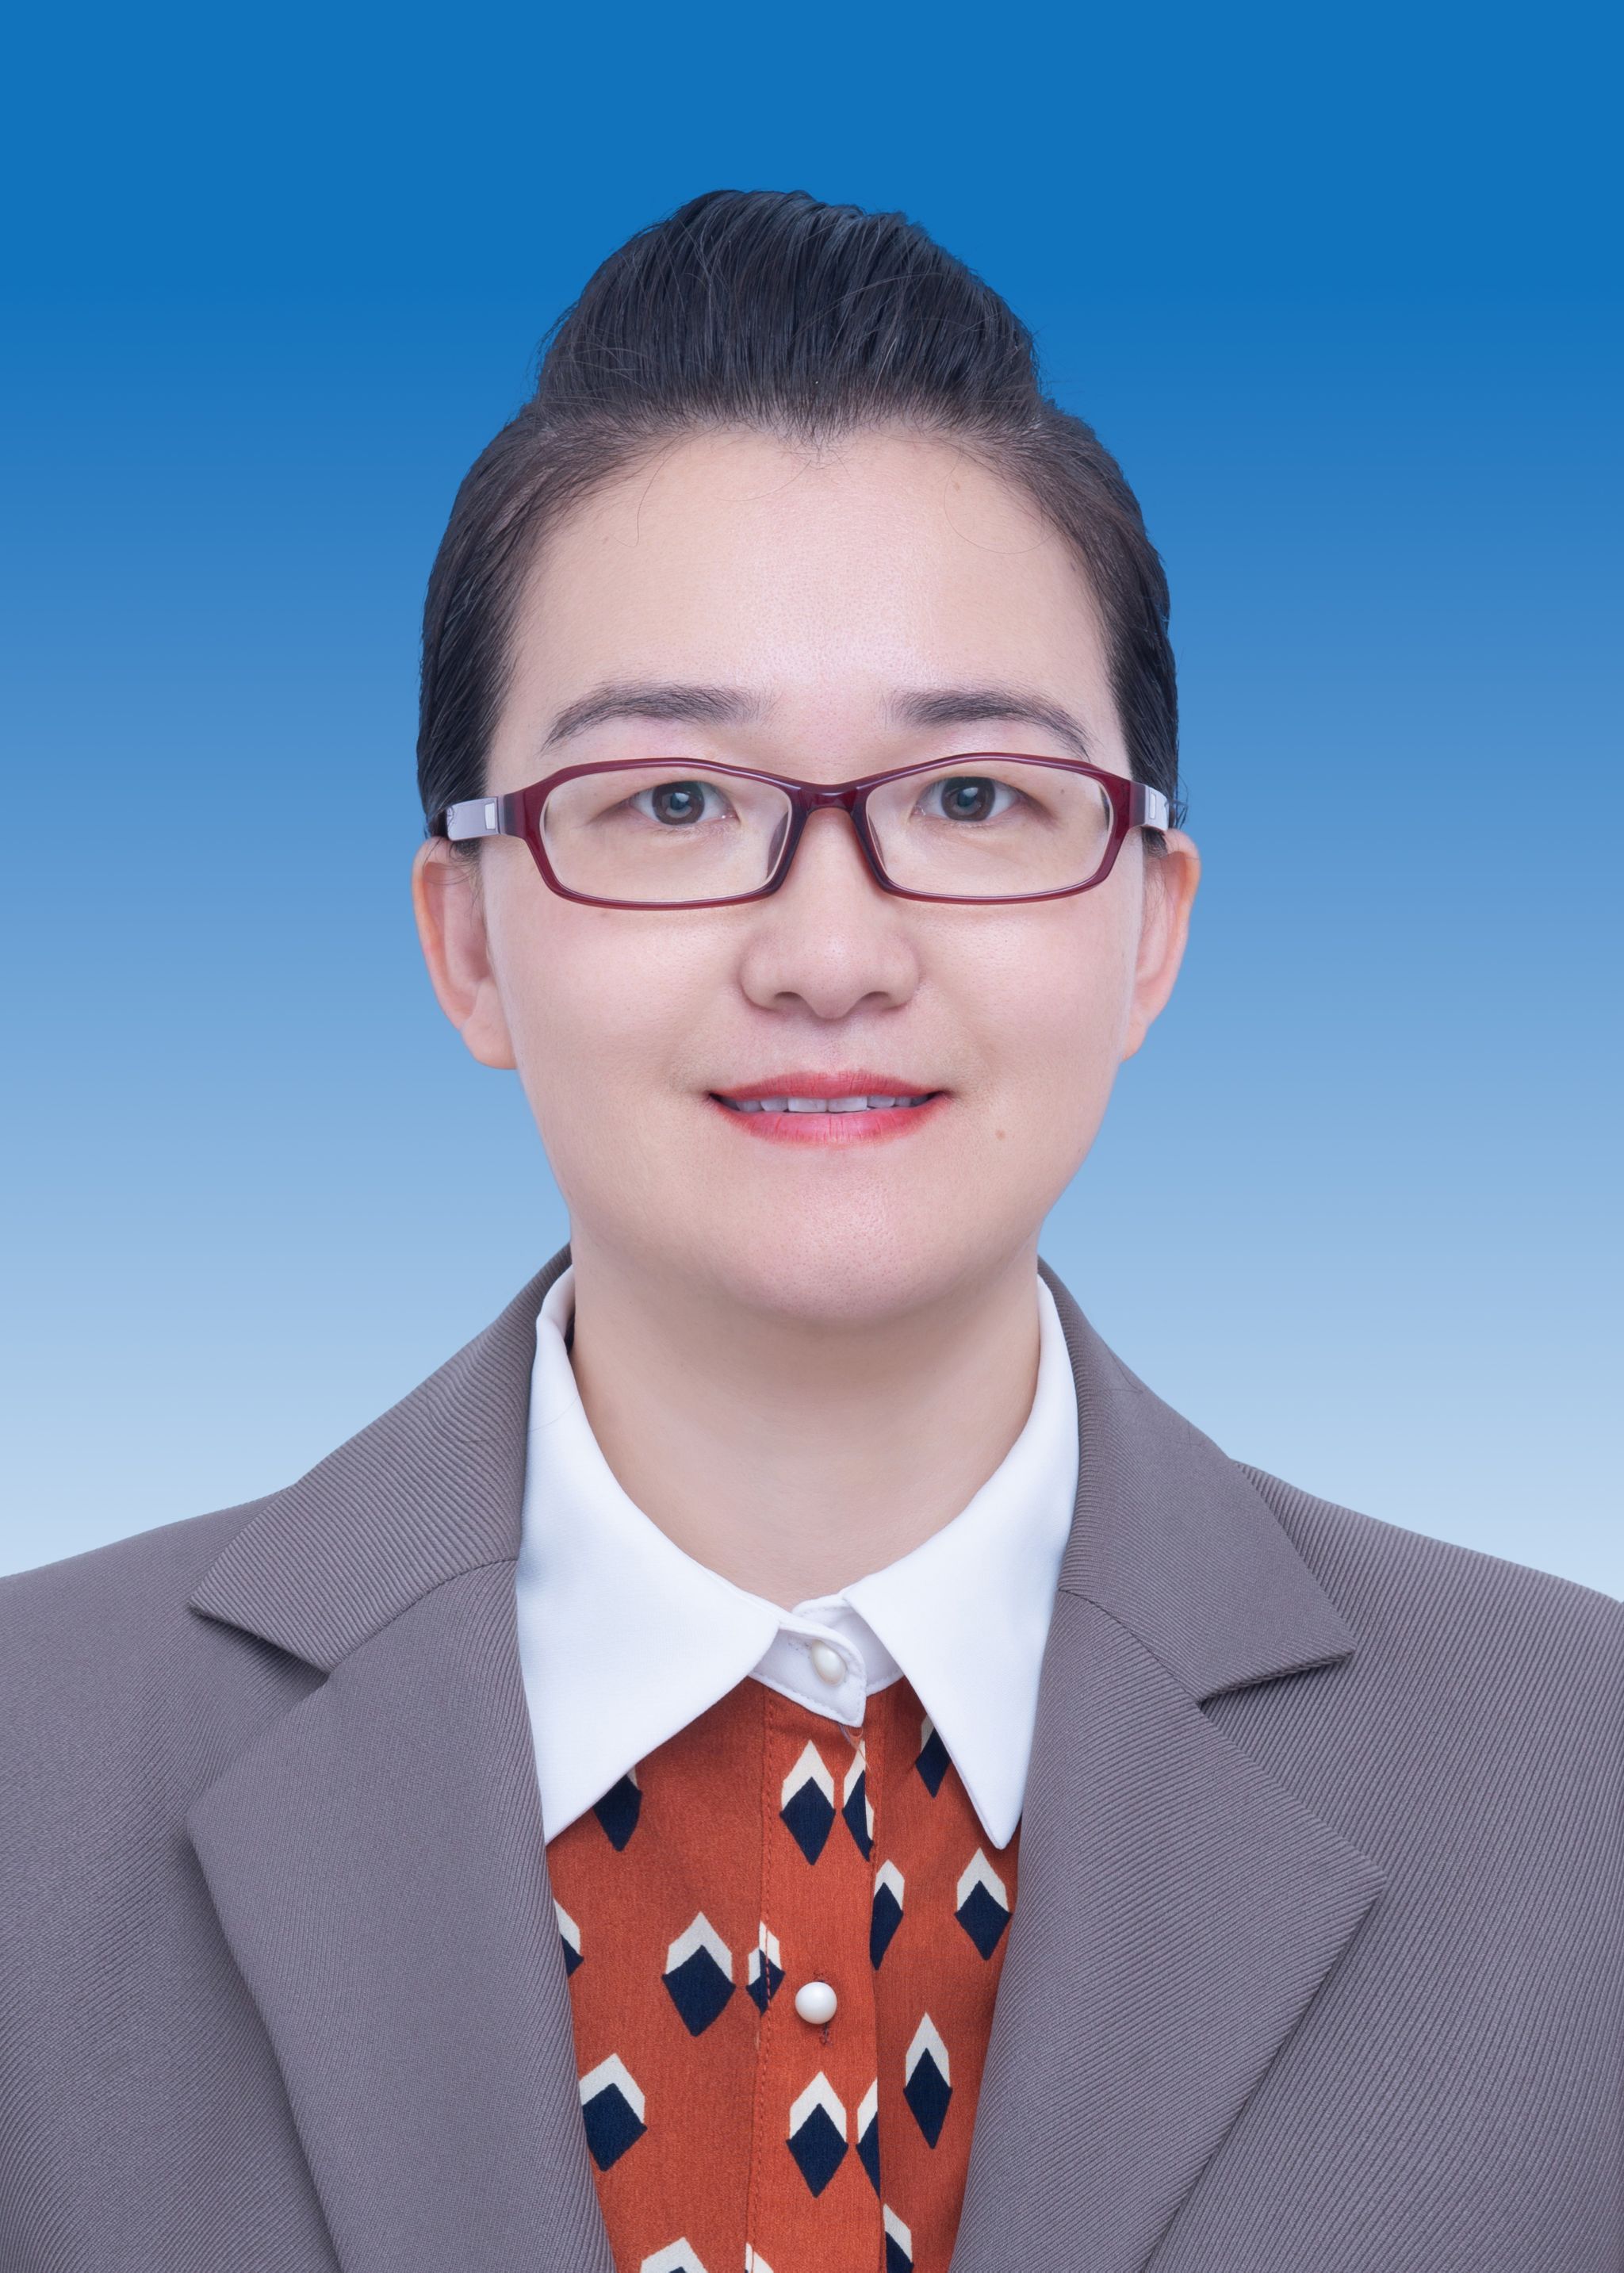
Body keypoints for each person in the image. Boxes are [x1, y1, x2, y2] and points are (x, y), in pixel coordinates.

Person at [0, 190, 1618, 2273]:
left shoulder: (1584, 1792)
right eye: (674, 802)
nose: (831, 951)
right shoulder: (32, 1769)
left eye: (973, 800)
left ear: (1150, 928)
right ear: (467, 942)